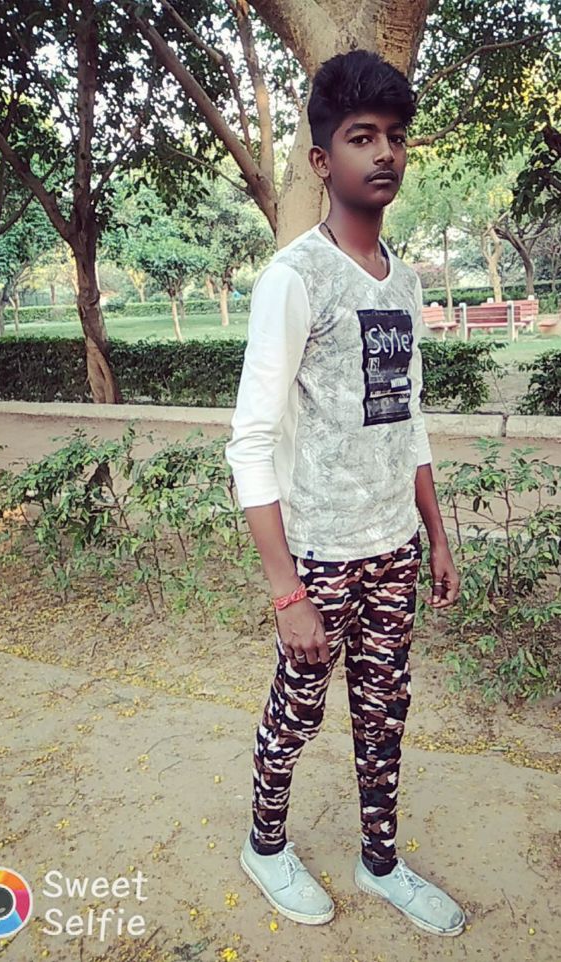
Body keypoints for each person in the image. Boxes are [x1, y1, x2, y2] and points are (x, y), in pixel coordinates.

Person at [224, 48, 466, 937]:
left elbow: (408, 419)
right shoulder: (294, 279)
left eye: (396, 136)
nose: (385, 153)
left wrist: (435, 535)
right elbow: (250, 443)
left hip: (392, 549)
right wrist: (286, 591)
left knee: (384, 714)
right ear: (323, 160)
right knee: (295, 715)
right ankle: (264, 847)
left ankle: (381, 862)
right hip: (320, 557)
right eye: (363, 137)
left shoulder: (402, 279)